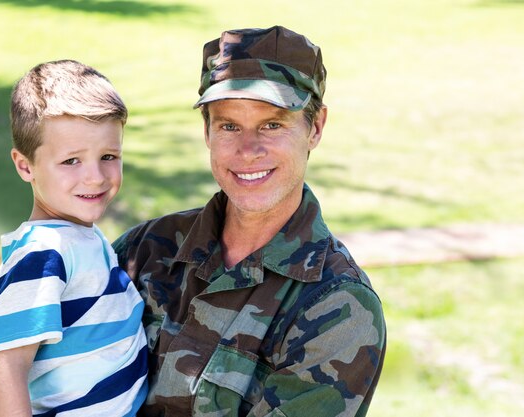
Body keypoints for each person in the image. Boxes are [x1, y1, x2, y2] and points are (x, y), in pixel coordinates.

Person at [113, 26, 386, 416]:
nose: (248, 150)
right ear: (206, 131)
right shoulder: (147, 248)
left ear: (316, 128)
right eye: (228, 126)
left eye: (272, 125)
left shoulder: (338, 307)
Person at [0, 59, 147, 417]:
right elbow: (9, 367)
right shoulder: (43, 254)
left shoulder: (82, 238)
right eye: (71, 161)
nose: (95, 177)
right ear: (25, 166)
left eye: (109, 156)